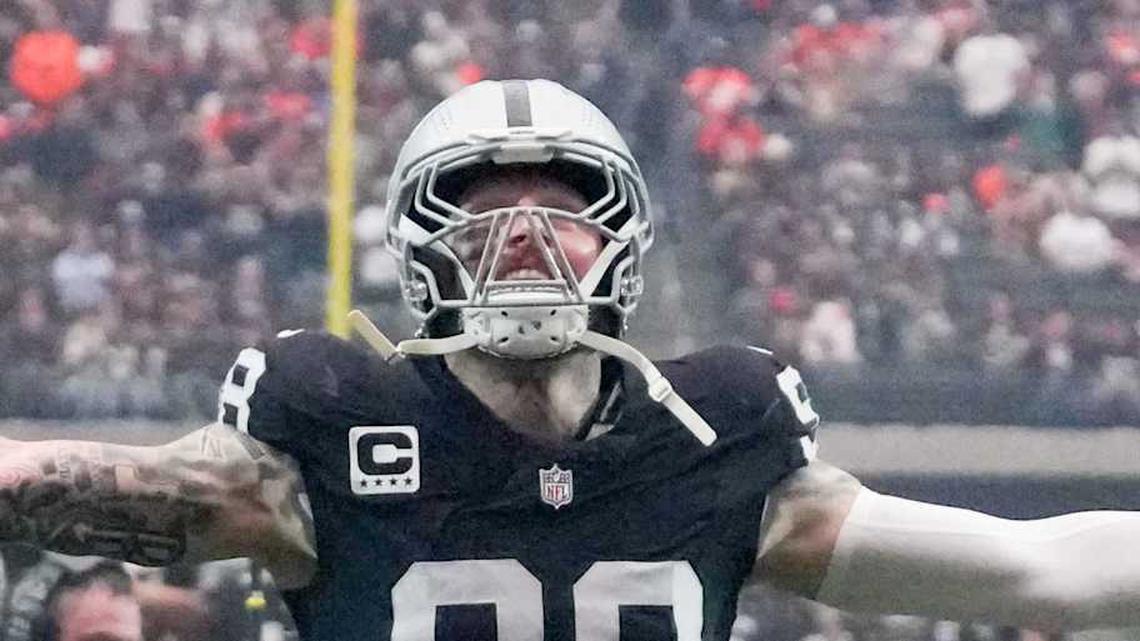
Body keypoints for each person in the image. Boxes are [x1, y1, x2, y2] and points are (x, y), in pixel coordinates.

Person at [3, 79, 1140, 641]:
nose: (527, 242)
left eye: (563, 208)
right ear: (420, 247)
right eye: (484, 210)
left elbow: (1040, 569)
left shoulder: (716, 436)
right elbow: (59, 482)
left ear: (624, 240)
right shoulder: (330, 425)